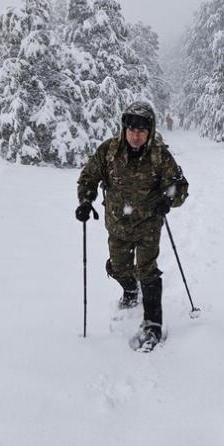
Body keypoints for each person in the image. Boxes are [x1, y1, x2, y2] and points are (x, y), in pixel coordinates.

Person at [75, 101, 189, 352]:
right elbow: (88, 178)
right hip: (117, 226)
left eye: (142, 131)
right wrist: (85, 200)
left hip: (149, 226)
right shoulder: (109, 151)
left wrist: (167, 199)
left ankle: (152, 325)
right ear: (124, 129)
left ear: (149, 132)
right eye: (132, 130)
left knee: (148, 271)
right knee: (118, 267)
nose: (136, 135)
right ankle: (129, 290)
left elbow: (180, 187)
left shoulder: (160, 154)